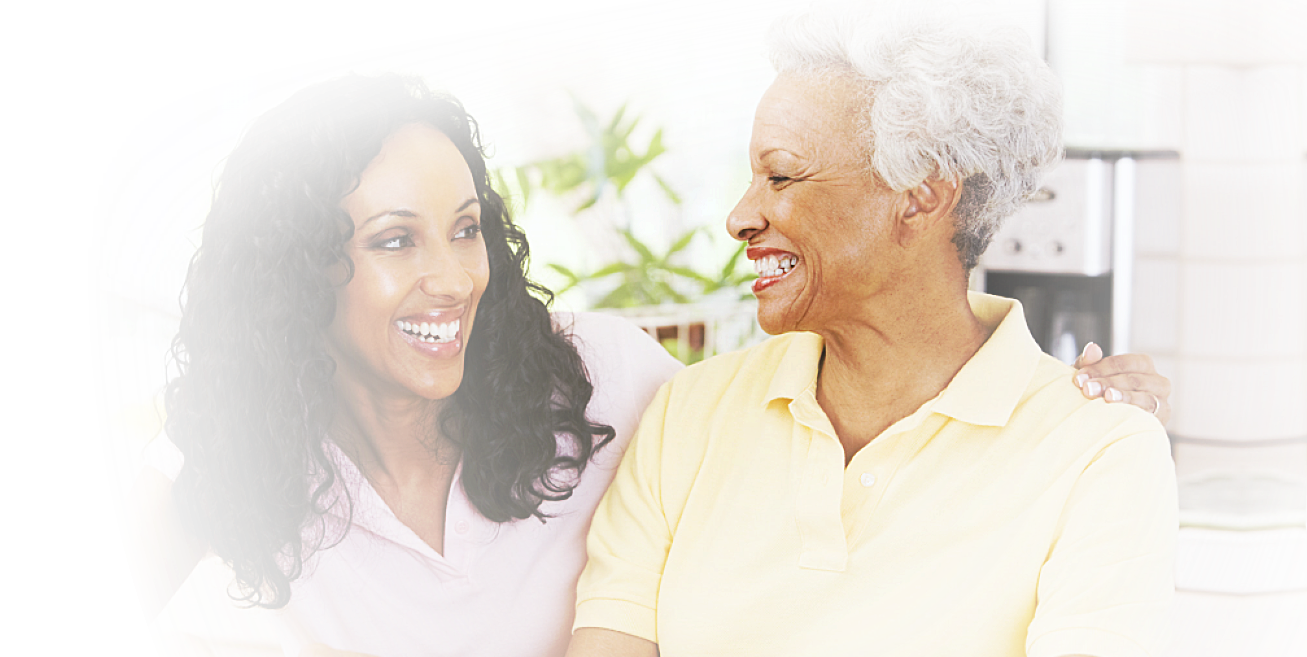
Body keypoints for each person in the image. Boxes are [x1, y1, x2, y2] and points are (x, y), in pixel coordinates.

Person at [123, 70, 1170, 657]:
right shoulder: (239, 441)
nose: (453, 277)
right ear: (300, 274)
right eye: (395, 240)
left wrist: (1082, 410)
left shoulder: (613, 383)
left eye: (466, 228)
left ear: (923, 194)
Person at [568, 0, 1178, 657]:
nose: (740, 216)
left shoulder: (1100, 450)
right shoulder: (690, 415)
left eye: (781, 176)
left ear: (921, 195)